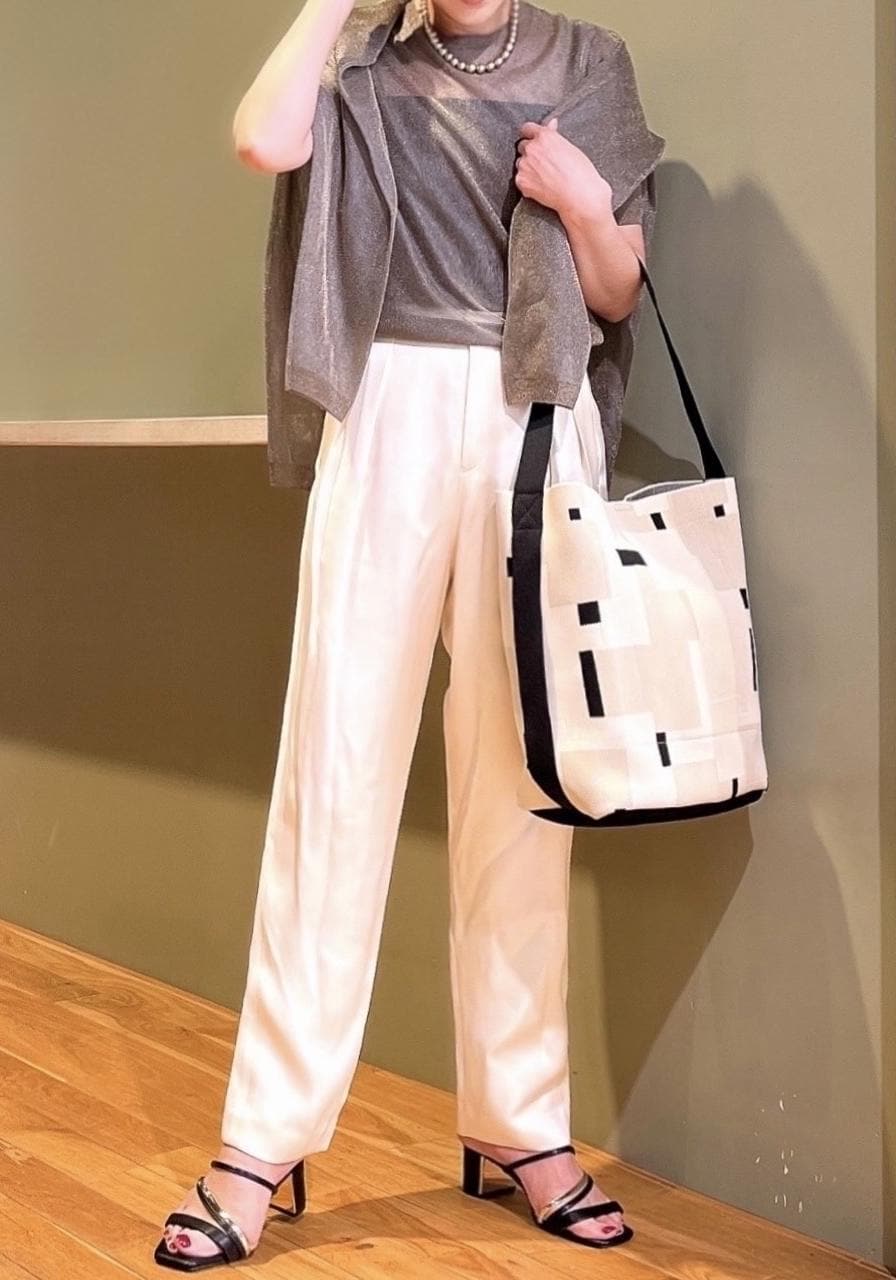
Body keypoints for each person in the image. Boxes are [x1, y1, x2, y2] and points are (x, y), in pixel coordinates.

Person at [155, 0, 654, 1266]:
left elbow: (613, 287)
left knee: (523, 789)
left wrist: (583, 202)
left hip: (533, 418)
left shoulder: (586, 60)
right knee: (332, 772)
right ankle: (264, 1138)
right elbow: (264, 138)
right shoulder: (359, 57)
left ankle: (519, 1121)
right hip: (385, 408)